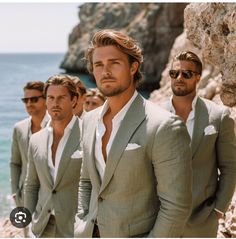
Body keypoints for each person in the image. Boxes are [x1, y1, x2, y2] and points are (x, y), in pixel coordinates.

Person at [74, 29, 193, 237]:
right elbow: (86, 181)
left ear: (133, 67)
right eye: (98, 65)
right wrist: (81, 222)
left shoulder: (164, 126)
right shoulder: (89, 121)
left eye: (114, 63)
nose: (105, 71)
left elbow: (175, 206)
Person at [161, 51, 236, 237]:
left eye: (186, 74)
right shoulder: (153, 114)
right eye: (174, 73)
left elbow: (230, 167)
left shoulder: (219, 116)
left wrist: (218, 210)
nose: (179, 78)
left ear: (198, 78)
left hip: (201, 222)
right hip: (158, 220)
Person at [24, 75, 82, 237]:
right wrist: (29, 225)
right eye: (50, 98)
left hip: (75, 227)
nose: (55, 103)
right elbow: (31, 185)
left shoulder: (90, 135)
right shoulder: (36, 140)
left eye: (61, 98)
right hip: (43, 225)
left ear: (74, 100)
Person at [10, 81, 49, 237]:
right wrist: (14, 192)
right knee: (28, 234)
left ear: (46, 99)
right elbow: (15, 162)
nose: (29, 103)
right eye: (25, 100)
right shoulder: (19, 128)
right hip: (24, 195)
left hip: (48, 195)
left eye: (34, 99)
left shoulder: (55, 126)